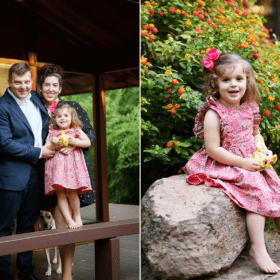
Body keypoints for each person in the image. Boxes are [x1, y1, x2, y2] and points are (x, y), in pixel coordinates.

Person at [183, 49, 280, 274]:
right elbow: (213, 149)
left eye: (239, 79)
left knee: (275, 186)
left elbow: (255, 134)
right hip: (225, 160)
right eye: (226, 80)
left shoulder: (249, 107)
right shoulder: (214, 113)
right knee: (257, 190)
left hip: (249, 157)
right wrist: (242, 163)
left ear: (247, 81)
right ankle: (258, 248)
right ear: (215, 84)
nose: (233, 85)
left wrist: (262, 149)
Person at [39, 64, 95, 280]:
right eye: (46, 85)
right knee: (57, 219)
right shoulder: (34, 108)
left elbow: (89, 133)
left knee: (65, 220)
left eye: (55, 85)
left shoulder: (71, 107)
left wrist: (73, 143)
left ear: (60, 88)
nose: (51, 89)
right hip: (46, 172)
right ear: (41, 87)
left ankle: (67, 274)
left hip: (70, 171)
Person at [0, 63, 55, 280]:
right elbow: (4, 144)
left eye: (26, 82)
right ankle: (3, 274)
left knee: (27, 227)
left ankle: (26, 272)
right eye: (17, 83)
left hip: (37, 175)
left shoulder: (35, 98)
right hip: (11, 176)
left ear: (32, 81)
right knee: (4, 228)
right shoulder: (2, 106)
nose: (23, 87)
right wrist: (39, 152)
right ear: (9, 82)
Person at [45, 103, 92, 229]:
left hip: (72, 167)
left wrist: (75, 142)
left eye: (66, 115)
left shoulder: (76, 130)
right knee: (60, 193)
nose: (63, 118)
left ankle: (77, 217)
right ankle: (68, 220)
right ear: (55, 119)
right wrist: (53, 144)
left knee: (72, 192)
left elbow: (87, 142)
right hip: (57, 168)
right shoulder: (52, 133)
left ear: (72, 117)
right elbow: (46, 147)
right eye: (59, 116)